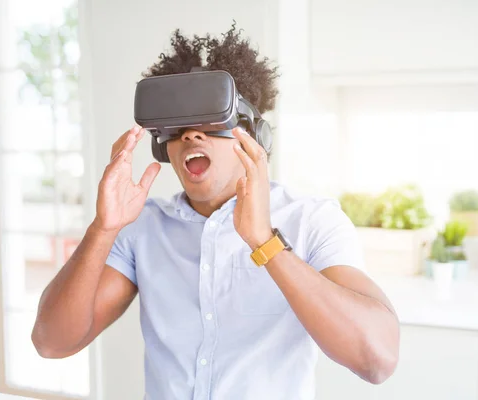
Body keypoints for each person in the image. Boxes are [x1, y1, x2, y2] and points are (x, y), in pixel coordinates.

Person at [31, 24, 400, 400]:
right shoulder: (141, 227)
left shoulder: (312, 221)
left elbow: (377, 360)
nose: (192, 136)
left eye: (212, 121)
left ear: (253, 135)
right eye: (178, 126)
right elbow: (52, 342)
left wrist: (265, 243)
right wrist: (102, 228)